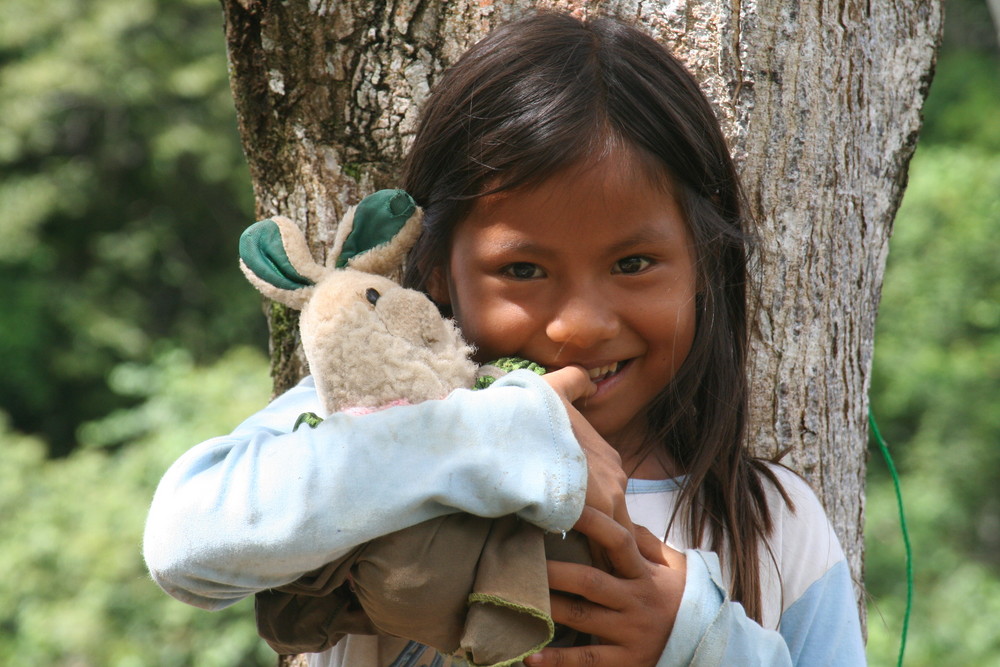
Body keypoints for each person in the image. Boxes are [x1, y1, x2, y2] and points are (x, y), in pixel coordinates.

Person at [143, 10, 866, 667]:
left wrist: (695, 642)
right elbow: (184, 542)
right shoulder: (383, 420)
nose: (580, 324)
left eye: (633, 263)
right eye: (522, 269)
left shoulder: (775, 527)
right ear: (435, 270)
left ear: (705, 259)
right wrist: (493, 435)